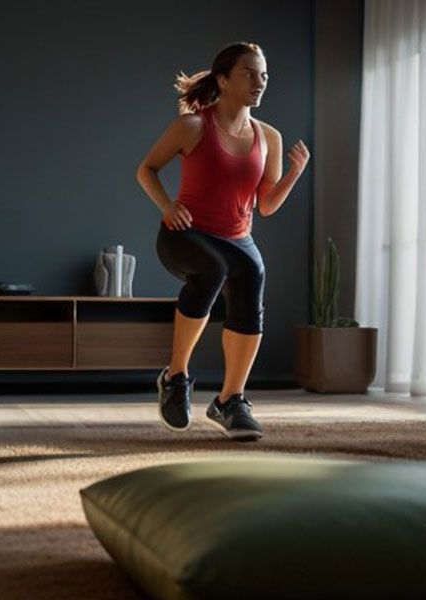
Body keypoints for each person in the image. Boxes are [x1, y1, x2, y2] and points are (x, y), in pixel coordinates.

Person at [135, 42, 310, 440]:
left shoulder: (270, 138)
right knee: (213, 268)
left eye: (263, 75)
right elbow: (146, 169)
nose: (259, 82)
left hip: (237, 239)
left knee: (251, 272)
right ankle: (175, 377)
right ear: (223, 79)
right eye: (249, 73)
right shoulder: (193, 126)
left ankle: (231, 400)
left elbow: (265, 206)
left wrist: (294, 175)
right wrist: (167, 206)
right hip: (185, 234)